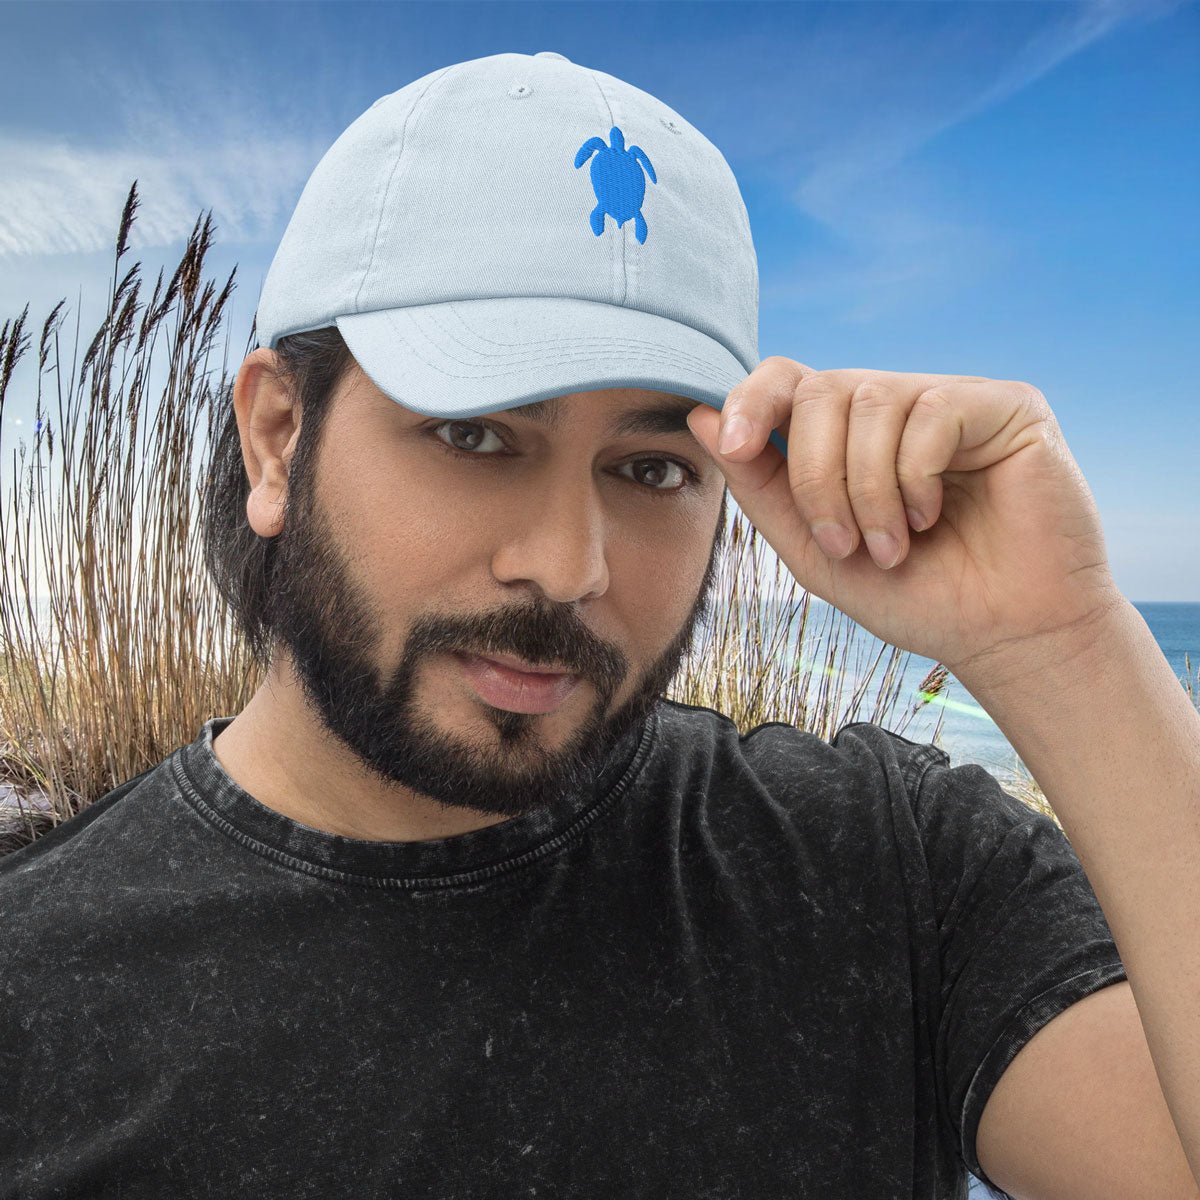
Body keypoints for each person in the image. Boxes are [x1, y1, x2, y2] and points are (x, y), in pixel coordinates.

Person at [3, 51, 1197, 1200]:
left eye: (650, 469)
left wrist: (1067, 650)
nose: (570, 567)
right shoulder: (37, 996)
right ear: (277, 434)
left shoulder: (883, 869)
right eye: (475, 435)